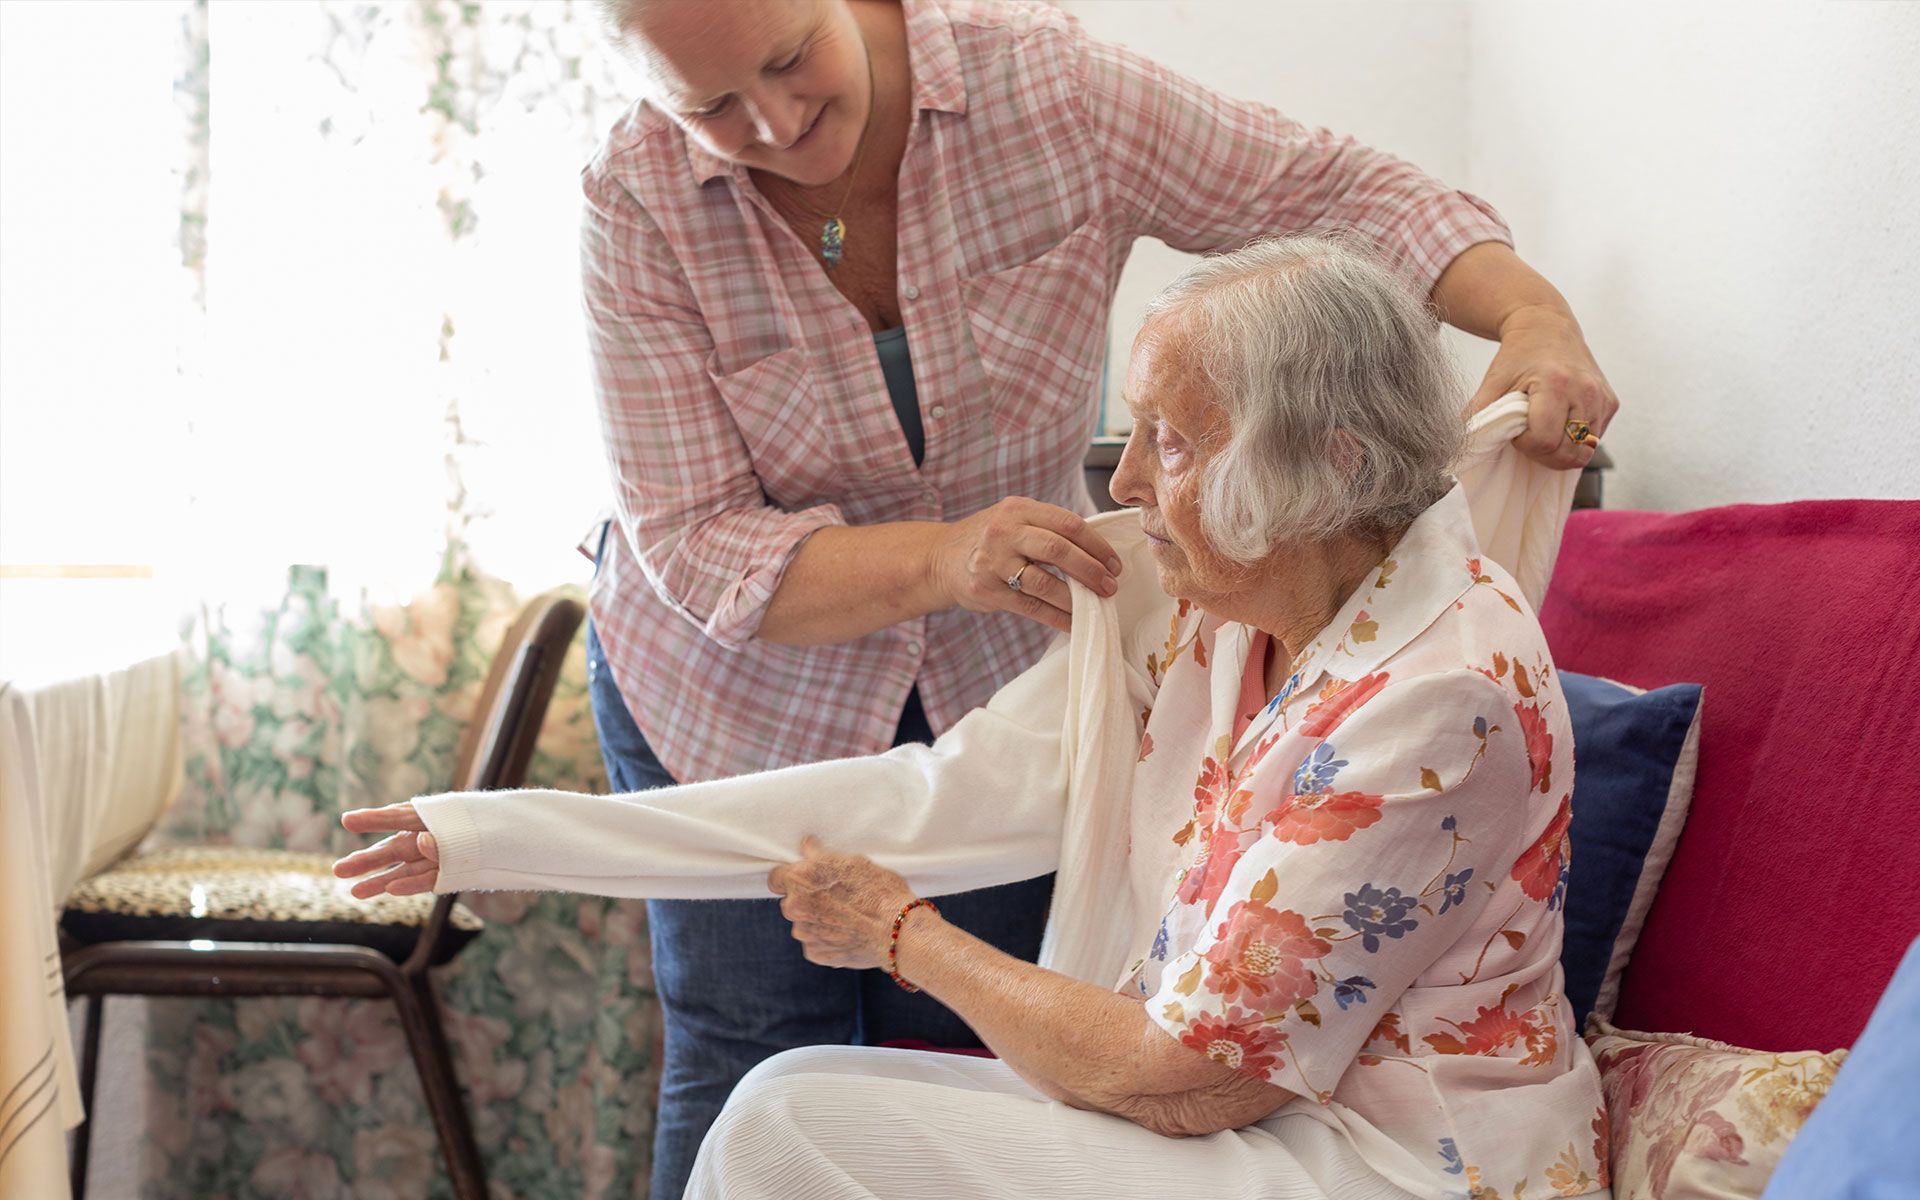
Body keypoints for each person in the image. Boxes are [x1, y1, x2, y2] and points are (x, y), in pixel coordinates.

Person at [578, 0, 1615, 1192]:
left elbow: (1338, 194)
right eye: (709, 108)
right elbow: (700, 543)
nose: (774, 121)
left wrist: (1532, 316)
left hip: (1006, 644)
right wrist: (481, 837)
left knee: (996, 1059)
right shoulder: (634, 199)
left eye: (787, 60)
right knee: (745, 1051)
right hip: (738, 684)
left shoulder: (1048, 90)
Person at [338, 235, 1609, 1199]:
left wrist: (903, 937)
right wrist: (488, 838)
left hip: (1388, 1164)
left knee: (789, 1122)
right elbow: (916, 800)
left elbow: (1184, 1077)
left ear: (1326, 464)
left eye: (1168, 440)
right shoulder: (1220, 606)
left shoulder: (1440, 695)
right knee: (786, 1096)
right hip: (1255, 1114)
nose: (1120, 484)